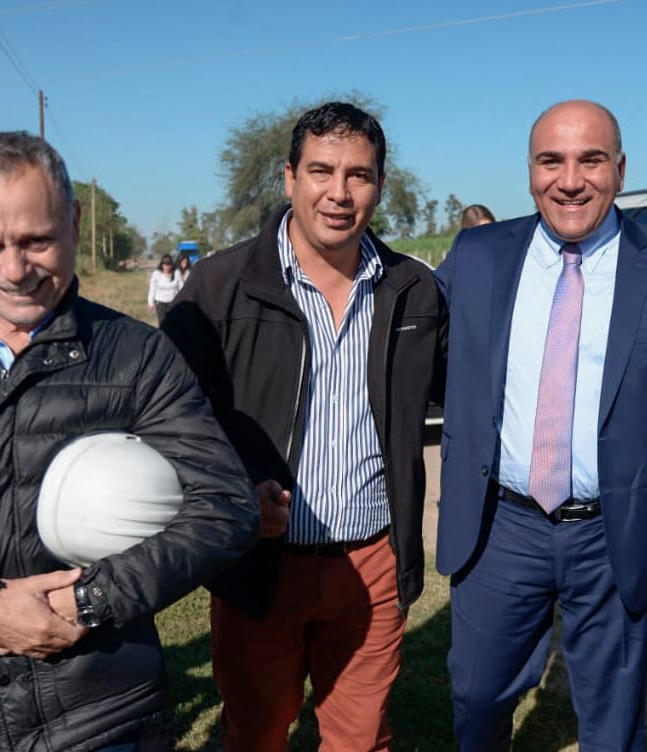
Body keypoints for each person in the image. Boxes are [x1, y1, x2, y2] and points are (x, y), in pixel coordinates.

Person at [0, 131, 259, 751]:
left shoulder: (137, 356)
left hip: (105, 720)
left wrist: (89, 600)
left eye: (36, 240)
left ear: (74, 222)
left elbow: (225, 506)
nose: (14, 269)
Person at [162, 101, 447, 751]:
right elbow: (167, 422)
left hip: (372, 561)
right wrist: (234, 492)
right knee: (256, 735)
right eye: (321, 170)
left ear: (380, 185)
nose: (339, 193)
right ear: (290, 177)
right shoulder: (219, 287)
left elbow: (468, 392)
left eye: (359, 175)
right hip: (259, 566)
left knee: (361, 739)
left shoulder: (414, 290)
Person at [434, 100, 647, 751]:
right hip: (501, 525)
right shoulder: (477, 256)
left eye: (591, 160)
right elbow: (413, 341)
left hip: (615, 531)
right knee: (476, 695)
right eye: (550, 161)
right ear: (530, 171)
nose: (570, 181)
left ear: (620, 169)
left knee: (613, 718)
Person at [147, 254, 182, 325]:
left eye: (169, 265)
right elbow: (152, 289)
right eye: (165, 265)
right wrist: (150, 303)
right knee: (163, 323)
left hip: (173, 303)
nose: (167, 267)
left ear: (172, 265)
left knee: (173, 323)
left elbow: (182, 288)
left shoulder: (177, 273)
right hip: (160, 303)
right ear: (162, 265)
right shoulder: (157, 274)